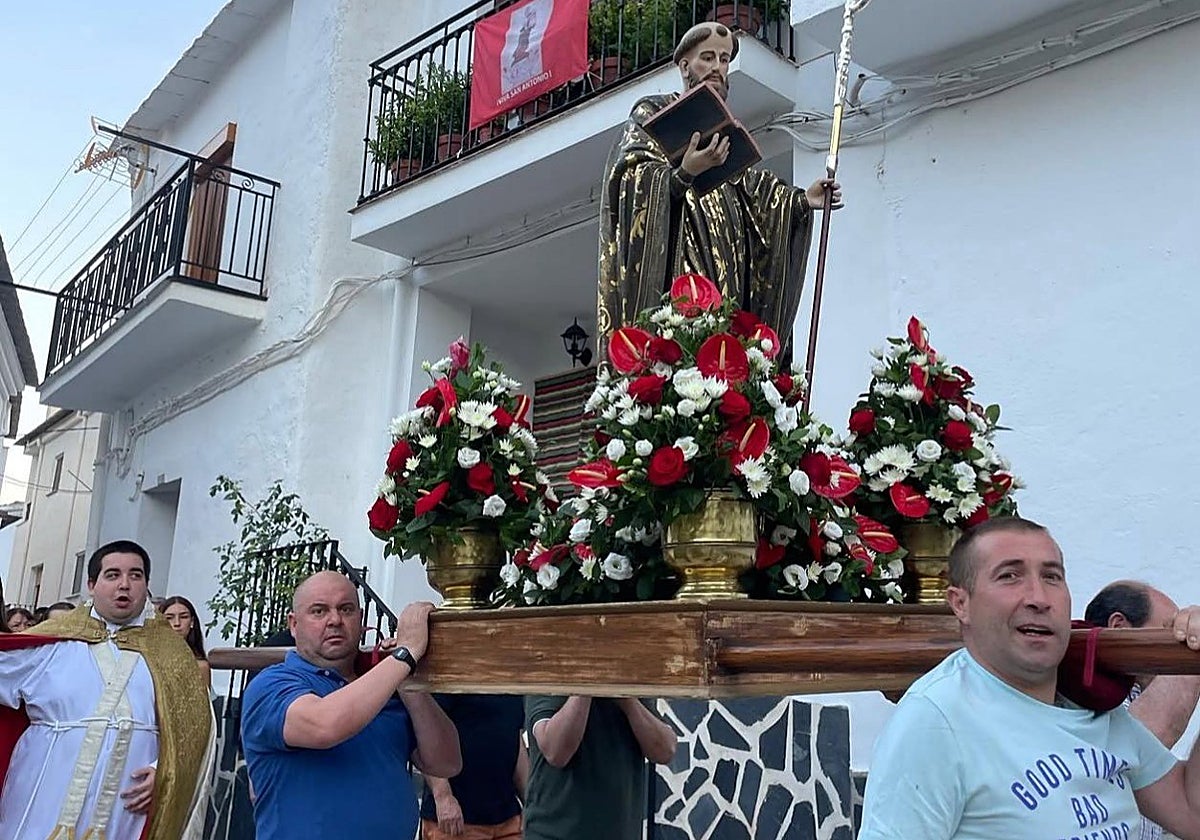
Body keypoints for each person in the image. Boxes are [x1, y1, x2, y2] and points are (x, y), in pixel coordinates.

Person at [858, 517, 1200, 839]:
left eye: (1052, 577)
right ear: (960, 603)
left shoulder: (1090, 702)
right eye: (1009, 576)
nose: (1039, 598)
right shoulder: (935, 721)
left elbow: (1191, 812)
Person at [597, 21, 840, 360]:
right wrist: (684, 173)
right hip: (679, 259)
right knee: (685, 343)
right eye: (707, 58)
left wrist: (800, 201)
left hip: (727, 262)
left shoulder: (725, 132)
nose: (717, 68)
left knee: (724, 344)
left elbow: (752, 189)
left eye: (724, 60)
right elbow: (630, 179)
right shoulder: (652, 113)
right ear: (685, 66)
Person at [0, 539, 215, 839]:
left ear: (146, 585)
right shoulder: (49, 645)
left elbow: (193, 726)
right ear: (92, 585)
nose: (124, 584)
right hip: (46, 786)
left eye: (135, 575)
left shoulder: (172, 655)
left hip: (127, 802)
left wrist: (164, 770)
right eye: (113, 575)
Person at [241, 570, 461, 839]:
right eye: (319, 611)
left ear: (361, 618)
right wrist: (405, 656)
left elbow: (447, 763)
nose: (335, 620)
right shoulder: (271, 685)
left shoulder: (385, 684)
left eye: (346, 609)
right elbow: (324, 726)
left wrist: (408, 683)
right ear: (294, 624)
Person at [1085, 580, 1200, 840]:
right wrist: (1192, 648)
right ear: (1118, 628)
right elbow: (1132, 746)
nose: (1178, 639)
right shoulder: (1085, 700)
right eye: (1170, 632)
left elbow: (1192, 811)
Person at [524, 695, 677, 840]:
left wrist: (628, 701)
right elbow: (555, 752)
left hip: (619, 832)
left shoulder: (632, 681)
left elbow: (665, 751)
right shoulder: (550, 678)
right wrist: (588, 689)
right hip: (553, 832)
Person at [420, 694, 528, 840]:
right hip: (456, 821)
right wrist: (443, 797)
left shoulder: (512, 687)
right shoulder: (449, 682)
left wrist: (530, 802)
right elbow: (427, 735)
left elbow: (515, 740)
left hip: (509, 820)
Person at [161, 595, 211, 688]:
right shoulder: (146, 661)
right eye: (169, 618)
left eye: (183, 617)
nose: (177, 623)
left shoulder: (200, 667)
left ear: (192, 622)